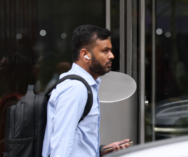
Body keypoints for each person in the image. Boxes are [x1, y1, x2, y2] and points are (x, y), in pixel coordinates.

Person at [43, 25, 132, 157]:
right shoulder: (75, 89)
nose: (111, 56)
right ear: (85, 55)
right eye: (105, 51)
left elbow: (77, 141)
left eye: (111, 50)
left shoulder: (85, 86)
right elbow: (62, 144)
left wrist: (100, 150)